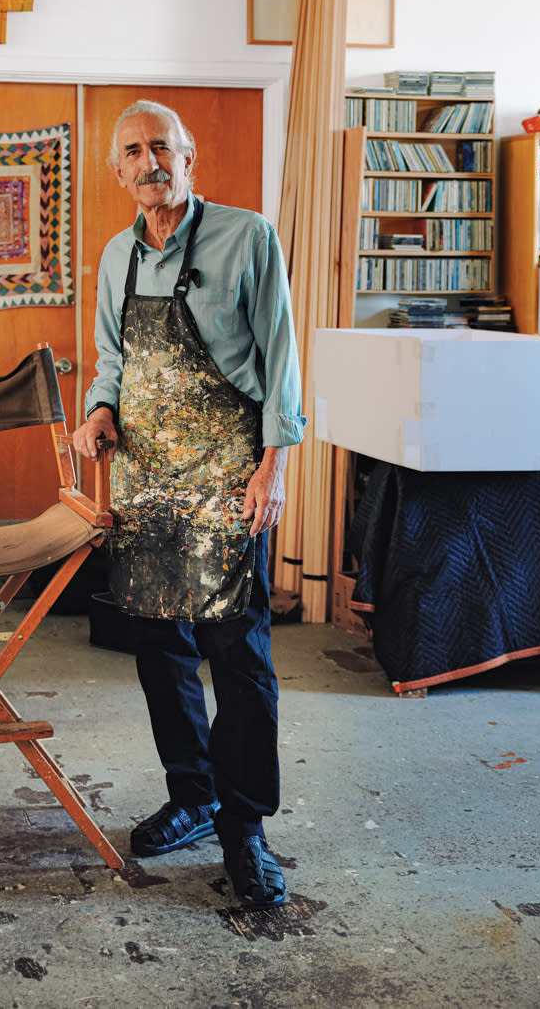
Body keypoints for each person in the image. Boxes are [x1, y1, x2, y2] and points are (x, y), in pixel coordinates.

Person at [72, 99, 305, 909]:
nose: (149, 162)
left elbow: (279, 359)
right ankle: (193, 793)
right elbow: (110, 357)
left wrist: (271, 467)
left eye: (161, 147)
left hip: (225, 473)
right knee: (159, 647)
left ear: (189, 153)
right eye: (132, 151)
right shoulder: (114, 256)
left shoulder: (246, 236)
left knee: (238, 656)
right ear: (118, 169)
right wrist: (99, 413)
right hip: (144, 478)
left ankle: (245, 826)